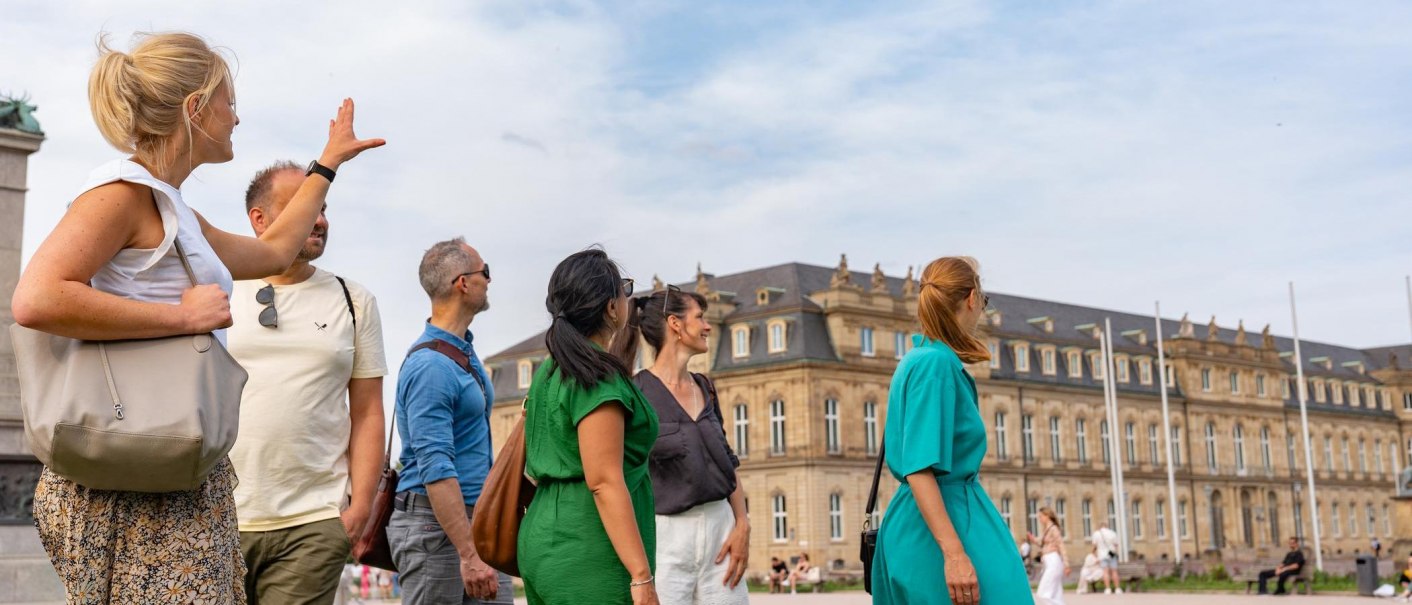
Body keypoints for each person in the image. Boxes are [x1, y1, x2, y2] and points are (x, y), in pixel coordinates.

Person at [13, 31, 382, 603]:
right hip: (128, 479)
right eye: (228, 101)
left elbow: (272, 251)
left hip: (168, 471)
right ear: (195, 109)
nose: (236, 116)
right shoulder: (121, 193)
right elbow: (36, 299)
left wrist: (327, 164)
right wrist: (179, 319)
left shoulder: (173, 206)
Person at [228, 160, 388, 604]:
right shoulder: (218, 288)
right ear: (259, 220)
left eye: (323, 206)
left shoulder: (354, 300)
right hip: (214, 519)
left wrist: (359, 511)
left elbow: (369, 411)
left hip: (314, 522)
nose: (319, 219)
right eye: (305, 205)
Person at [870, 257, 1033, 605]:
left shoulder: (920, 359)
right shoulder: (935, 364)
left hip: (930, 519)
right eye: (984, 303)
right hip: (943, 521)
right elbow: (918, 467)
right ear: (972, 298)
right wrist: (955, 554)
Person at [518, 249, 660, 605]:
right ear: (612, 308)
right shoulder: (596, 376)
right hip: (590, 548)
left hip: (544, 538)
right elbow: (604, 481)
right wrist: (642, 576)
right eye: (624, 289)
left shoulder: (549, 372)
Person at [388, 238, 513, 604]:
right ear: (463, 282)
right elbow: (435, 468)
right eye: (484, 272)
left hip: (473, 521)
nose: (488, 281)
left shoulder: (461, 350)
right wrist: (469, 555)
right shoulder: (431, 367)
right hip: (437, 529)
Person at [623, 287, 749, 604]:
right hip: (665, 539)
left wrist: (742, 525)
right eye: (700, 317)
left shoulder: (705, 387)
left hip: (721, 534)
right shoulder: (635, 393)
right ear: (675, 324)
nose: (707, 326)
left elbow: (727, 463)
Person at [1027, 507, 1069, 604]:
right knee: (1055, 594)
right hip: (1049, 562)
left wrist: (1066, 564)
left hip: (1053, 561)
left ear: (1047, 516)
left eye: (1041, 516)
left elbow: (1061, 545)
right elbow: (1042, 542)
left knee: (1043, 593)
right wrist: (1033, 539)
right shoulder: (1047, 529)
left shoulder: (1053, 528)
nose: (1039, 519)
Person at [1090, 522, 1121, 594]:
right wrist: (1115, 553)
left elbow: (1094, 546)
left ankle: (1108, 589)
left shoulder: (1096, 534)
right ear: (1106, 526)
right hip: (1112, 554)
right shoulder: (1112, 533)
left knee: (1105, 572)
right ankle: (1117, 589)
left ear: (1100, 527)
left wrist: (1092, 553)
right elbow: (1116, 545)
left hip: (1102, 555)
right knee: (1114, 571)